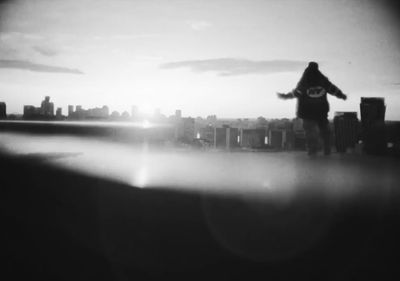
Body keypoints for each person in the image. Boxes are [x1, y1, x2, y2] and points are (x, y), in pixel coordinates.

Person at [277, 62, 347, 156]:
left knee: (310, 132)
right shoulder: (323, 81)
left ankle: (312, 150)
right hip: (321, 111)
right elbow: (333, 89)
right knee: (325, 131)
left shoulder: (304, 82)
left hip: (307, 112)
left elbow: (295, 93)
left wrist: (284, 96)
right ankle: (327, 150)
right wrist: (342, 95)